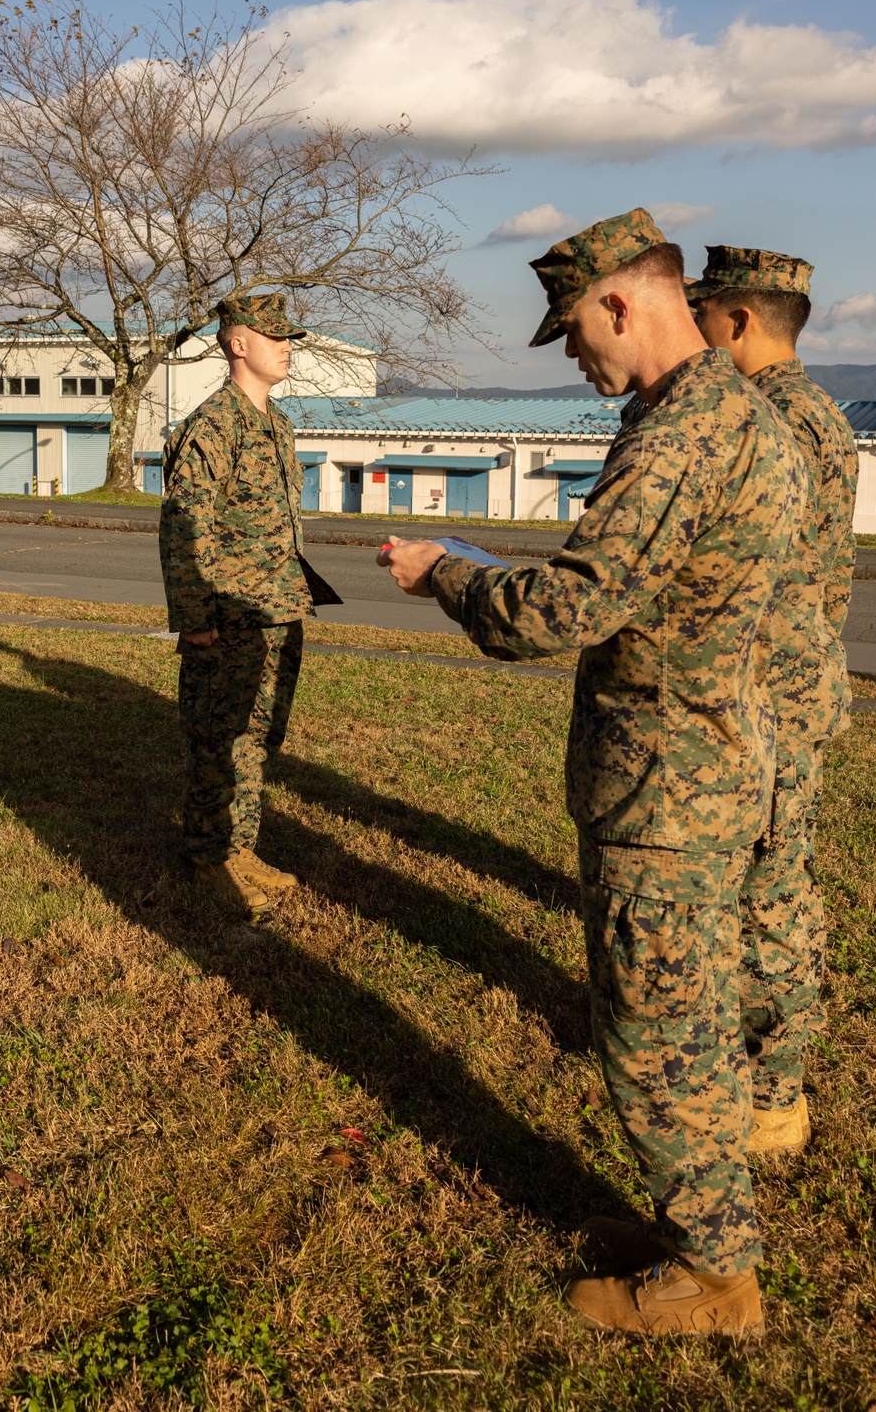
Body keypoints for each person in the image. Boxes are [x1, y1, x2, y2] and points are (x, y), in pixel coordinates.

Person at [378, 209, 805, 1336]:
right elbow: (655, 587)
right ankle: (705, 1233)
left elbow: (565, 609)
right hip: (715, 760)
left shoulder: (676, 437)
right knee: (697, 1015)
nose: (574, 355)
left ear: (621, 302)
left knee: (655, 1031)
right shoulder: (741, 414)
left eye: (572, 331)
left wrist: (446, 576)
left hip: (662, 787)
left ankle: (713, 1276)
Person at [686, 247, 858, 1154]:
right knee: (771, 880)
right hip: (798, 680)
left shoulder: (761, 422)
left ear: (740, 321)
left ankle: (771, 1091)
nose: (696, 332)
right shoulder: (821, 413)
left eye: (704, 315)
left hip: (768, 692)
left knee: (770, 893)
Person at [159, 291, 340, 916]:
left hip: (277, 607)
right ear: (238, 344)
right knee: (218, 738)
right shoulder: (212, 425)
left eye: (289, 339)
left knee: (259, 738)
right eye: (275, 338)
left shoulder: (277, 423)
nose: (287, 349)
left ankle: (240, 848)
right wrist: (195, 619)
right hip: (229, 612)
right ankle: (210, 854)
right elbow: (185, 526)